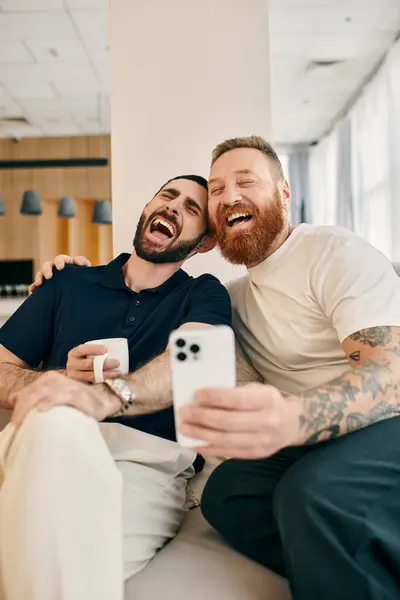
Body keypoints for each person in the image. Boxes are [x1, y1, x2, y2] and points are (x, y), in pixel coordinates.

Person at [176, 136, 400, 600]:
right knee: (228, 496)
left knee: (312, 494)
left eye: (245, 181)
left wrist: (293, 418)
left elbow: (392, 374)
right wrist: (69, 276)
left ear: (283, 193)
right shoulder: (231, 297)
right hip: (320, 443)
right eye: (215, 190)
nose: (229, 195)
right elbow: (148, 297)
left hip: (386, 422)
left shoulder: (333, 252)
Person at [0, 174, 232, 600]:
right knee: (57, 423)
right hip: (42, 434)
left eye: (193, 208)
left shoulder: (204, 294)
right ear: (147, 209)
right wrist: (61, 383)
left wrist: (102, 396)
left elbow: (193, 363)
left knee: (73, 560)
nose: (174, 207)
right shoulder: (68, 281)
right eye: (167, 196)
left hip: (144, 460)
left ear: (204, 243)